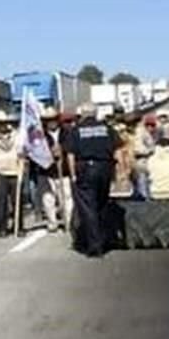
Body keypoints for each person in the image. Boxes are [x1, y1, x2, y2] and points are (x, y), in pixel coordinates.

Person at [65, 103, 120, 257]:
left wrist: (73, 174)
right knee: (102, 204)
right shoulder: (107, 128)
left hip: (85, 169)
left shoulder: (76, 130)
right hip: (105, 168)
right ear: (95, 114)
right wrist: (115, 173)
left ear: (82, 114)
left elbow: (70, 154)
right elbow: (117, 149)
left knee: (88, 207)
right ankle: (105, 238)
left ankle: (95, 245)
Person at [36, 107, 73, 233]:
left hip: (64, 170)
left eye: (53, 119)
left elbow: (72, 148)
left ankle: (69, 221)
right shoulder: (39, 135)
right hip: (46, 170)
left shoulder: (67, 132)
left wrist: (62, 150)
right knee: (48, 198)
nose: (51, 122)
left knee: (66, 197)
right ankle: (52, 223)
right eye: (48, 120)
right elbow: (36, 151)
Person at [132, 114, 157, 199]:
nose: (150, 127)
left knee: (147, 182)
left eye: (152, 125)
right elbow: (137, 149)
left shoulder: (150, 134)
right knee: (142, 182)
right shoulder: (140, 132)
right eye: (148, 125)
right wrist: (150, 151)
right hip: (140, 161)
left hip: (148, 161)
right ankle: (143, 198)